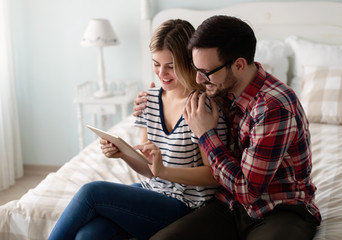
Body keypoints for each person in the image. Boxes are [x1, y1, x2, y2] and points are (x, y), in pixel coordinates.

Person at [134, 15, 321, 240]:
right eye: (196, 68)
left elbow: (248, 192)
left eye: (206, 72)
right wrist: (151, 100)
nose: (199, 79)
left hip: (280, 209)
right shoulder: (220, 91)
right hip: (229, 205)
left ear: (239, 65)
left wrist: (206, 135)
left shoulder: (273, 107)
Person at [48, 19, 227, 240]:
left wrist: (163, 171)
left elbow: (214, 176)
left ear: (189, 62)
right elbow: (148, 169)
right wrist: (122, 153)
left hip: (186, 204)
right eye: (156, 64)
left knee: (92, 192)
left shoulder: (202, 108)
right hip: (151, 191)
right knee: (88, 235)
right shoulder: (149, 100)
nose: (162, 74)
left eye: (170, 66)